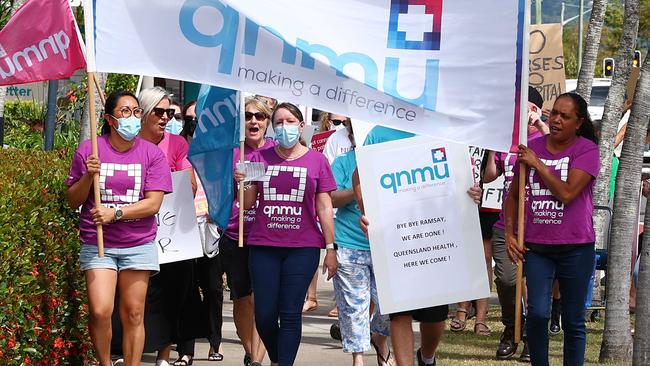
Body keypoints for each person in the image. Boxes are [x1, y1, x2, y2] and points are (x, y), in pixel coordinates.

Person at [353, 125, 483, 366]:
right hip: (397, 241)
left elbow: (464, 180)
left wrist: (473, 192)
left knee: (435, 316)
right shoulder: (380, 133)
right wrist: (367, 210)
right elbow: (359, 177)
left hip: (437, 240)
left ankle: (427, 356)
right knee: (399, 310)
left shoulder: (444, 130)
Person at [66, 91, 172, 366]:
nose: (133, 118)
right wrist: (89, 175)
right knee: (101, 311)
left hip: (138, 244)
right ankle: (104, 362)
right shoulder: (90, 150)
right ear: (110, 119)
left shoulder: (152, 154)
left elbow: (153, 204)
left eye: (136, 112)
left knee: (134, 313)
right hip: (98, 243)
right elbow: (72, 200)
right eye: (125, 112)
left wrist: (116, 213)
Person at [235, 102, 338, 366]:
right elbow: (247, 203)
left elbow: (324, 205)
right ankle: (279, 358)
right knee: (265, 315)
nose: (284, 127)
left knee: (290, 314)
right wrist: (243, 181)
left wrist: (331, 248)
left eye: (290, 121)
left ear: (301, 126)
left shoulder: (317, 160)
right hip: (264, 245)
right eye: (279, 122)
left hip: (302, 248)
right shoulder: (259, 158)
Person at [506, 92, 599, 365]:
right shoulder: (533, 146)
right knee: (536, 314)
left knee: (572, 321)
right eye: (554, 112)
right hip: (537, 248)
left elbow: (568, 193)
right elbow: (512, 196)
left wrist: (539, 164)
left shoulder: (586, 151)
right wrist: (511, 232)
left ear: (578, 122)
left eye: (565, 116)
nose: (556, 119)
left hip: (576, 248)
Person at [192, 97, 272, 365]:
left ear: (267, 122)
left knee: (264, 299)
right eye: (248, 116)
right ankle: (251, 351)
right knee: (243, 300)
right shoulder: (231, 153)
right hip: (235, 234)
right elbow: (213, 190)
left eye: (259, 117)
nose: (253, 121)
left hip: (269, 235)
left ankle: (258, 359)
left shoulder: (275, 151)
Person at [481, 87, 549, 361]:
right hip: (505, 224)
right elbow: (488, 176)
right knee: (507, 280)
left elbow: (556, 164)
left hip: (538, 224)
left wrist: (541, 126)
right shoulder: (505, 141)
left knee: (535, 284)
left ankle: (533, 336)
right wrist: (490, 144)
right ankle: (511, 327)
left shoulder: (546, 139)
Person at [137, 86, 199, 366]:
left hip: (172, 234)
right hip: (135, 232)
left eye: (169, 112)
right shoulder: (129, 143)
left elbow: (190, 183)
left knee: (174, 292)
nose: (165, 117)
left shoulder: (176, 144)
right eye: (159, 112)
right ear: (144, 113)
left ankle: (164, 353)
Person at [331, 148, 393, 366]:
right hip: (349, 244)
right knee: (354, 307)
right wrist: (357, 189)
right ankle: (358, 359)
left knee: (392, 304)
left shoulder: (393, 155)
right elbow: (331, 198)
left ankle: (379, 338)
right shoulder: (343, 162)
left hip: (389, 243)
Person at [303, 111, 351, 316]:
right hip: (331, 205)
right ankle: (311, 297)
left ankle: (341, 302)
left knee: (341, 258)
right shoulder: (335, 139)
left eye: (343, 121)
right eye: (335, 122)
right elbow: (328, 173)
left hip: (352, 214)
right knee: (322, 251)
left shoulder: (368, 136)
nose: (339, 126)